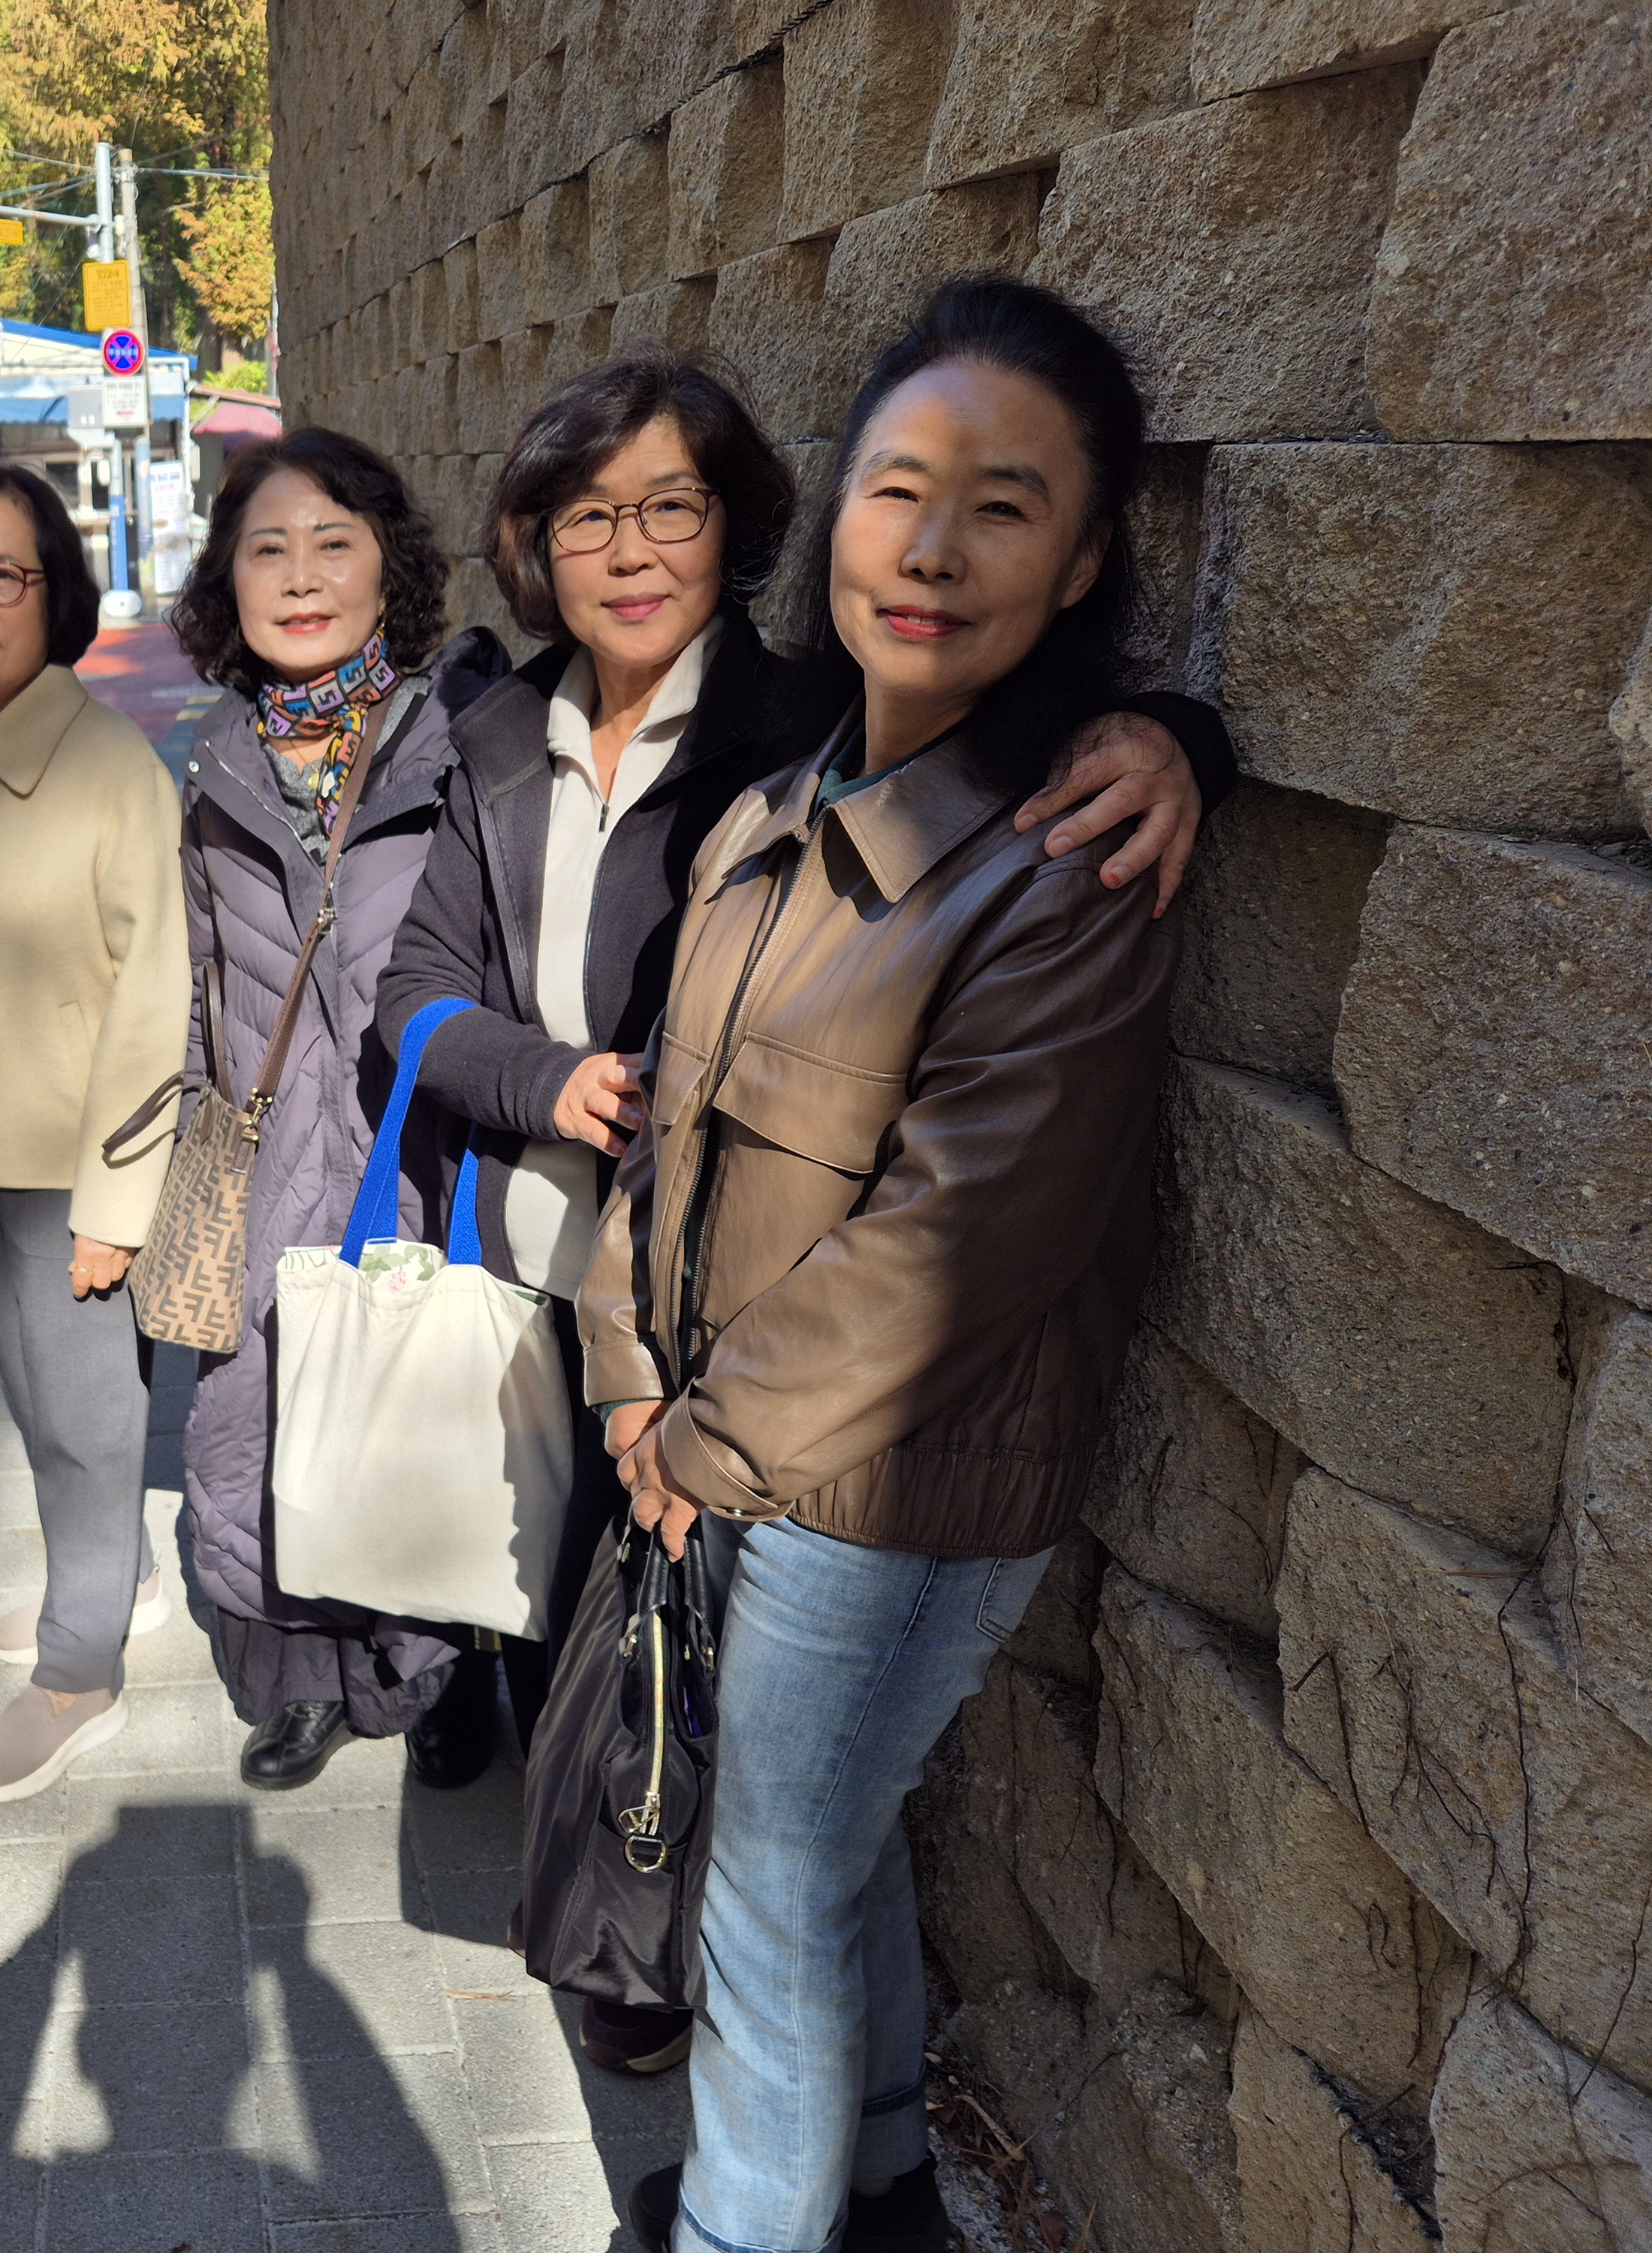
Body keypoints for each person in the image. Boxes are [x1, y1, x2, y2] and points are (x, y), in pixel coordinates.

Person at [374, 351, 1231, 2070]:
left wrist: (1184, 738)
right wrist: (542, 1079)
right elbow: (412, 988)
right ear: (530, 544)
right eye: (586, 517)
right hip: (544, 1261)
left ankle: (637, 1975)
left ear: (743, 527)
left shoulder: (798, 728)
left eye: (669, 508)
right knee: (559, 1615)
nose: (629, 550)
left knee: (681, 1684)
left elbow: (1020, 749)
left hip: (733, 1330)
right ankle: (601, 1902)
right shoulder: (490, 737)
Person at [594, 278, 1192, 2253]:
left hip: (897, 1490)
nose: (931, 550)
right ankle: (871, 2186)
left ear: (1083, 561)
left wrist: (699, 1446)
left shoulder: (1062, 864)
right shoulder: (770, 810)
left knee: (766, 1891)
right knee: (819, 1860)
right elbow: (665, 1132)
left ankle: (743, 2230)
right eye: (897, 489)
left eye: (1003, 508)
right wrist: (628, 1378)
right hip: (734, 1445)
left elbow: (956, 1244)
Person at [165, 428, 511, 1792]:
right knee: (259, 1420)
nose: (301, 577)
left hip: (413, 1155)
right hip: (262, 1165)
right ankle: (305, 1685)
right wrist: (182, 1184)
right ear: (229, 581)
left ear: (388, 567)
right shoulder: (215, 762)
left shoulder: (460, 740)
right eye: (268, 549)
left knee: (422, 1407)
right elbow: (195, 988)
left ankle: (438, 1675)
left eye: (333, 543)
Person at [0, 463, 191, 1801]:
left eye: (4, 575)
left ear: (55, 593)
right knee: (31, 1393)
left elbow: (155, 1001)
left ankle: (79, 1669)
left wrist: (116, 1209)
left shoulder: (114, 769)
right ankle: (120, 1577)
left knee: (87, 1418)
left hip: (75, 1171)